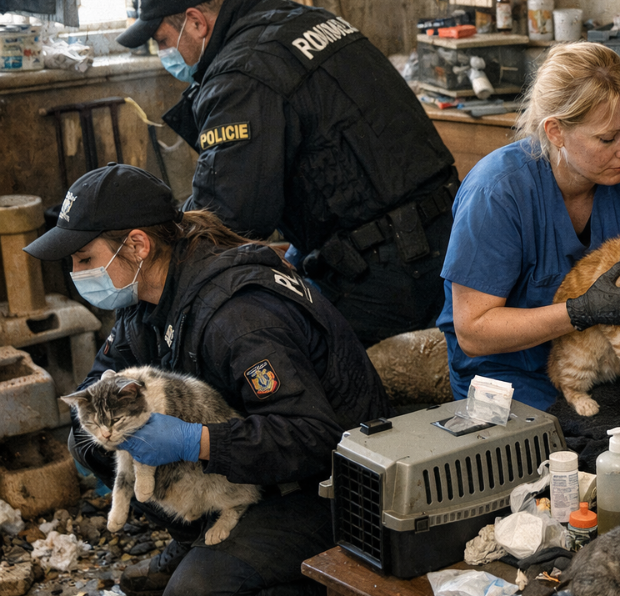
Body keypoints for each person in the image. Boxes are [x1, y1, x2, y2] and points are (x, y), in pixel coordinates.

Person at [25, 163, 391, 596]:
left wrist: (193, 440)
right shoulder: (145, 297)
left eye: (85, 258)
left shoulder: (239, 316)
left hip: (332, 488)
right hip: (249, 467)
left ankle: (274, 572)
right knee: (89, 441)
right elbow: (98, 380)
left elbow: (314, 437)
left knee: (197, 589)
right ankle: (194, 535)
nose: (77, 271)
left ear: (137, 245)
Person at [116, 0, 458, 346]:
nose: (164, 54)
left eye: (162, 41)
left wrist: (161, 245)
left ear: (196, 22)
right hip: (446, 231)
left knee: (286, 357)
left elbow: (229, 212)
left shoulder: (240, 75)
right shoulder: (303, 19)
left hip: (388, 268)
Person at [438, 42, 620, 409]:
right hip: (508, 376)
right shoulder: (497, 193)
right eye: (608, 138)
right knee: (560, 454)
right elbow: (473, 332)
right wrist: (580, 311)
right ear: (555, 132)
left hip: (607, 359)